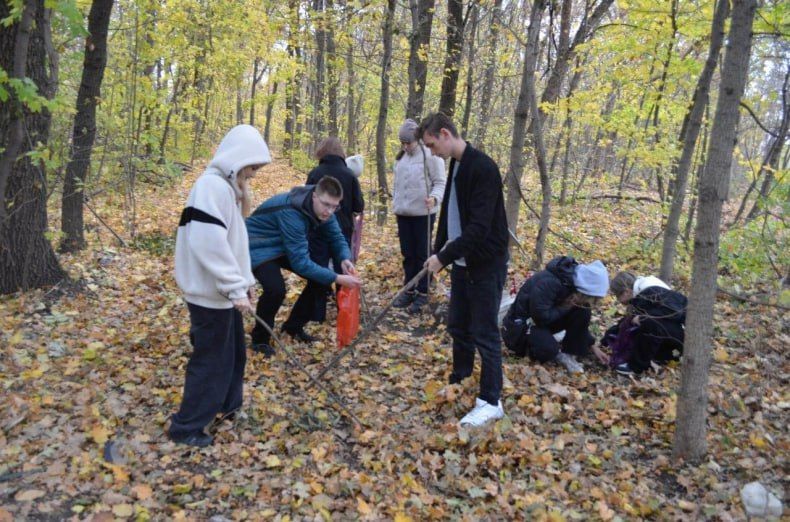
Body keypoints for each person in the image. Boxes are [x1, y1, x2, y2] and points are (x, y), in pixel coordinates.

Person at [169, 124, 270, 448]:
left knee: (234, 356)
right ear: (236, 160)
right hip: (209, 294)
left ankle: (228, 406)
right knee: (211, 360)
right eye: (252, 167)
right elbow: (208, 242)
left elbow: (233, 245)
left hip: (223, 293)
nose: (253, 174)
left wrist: (245, 284)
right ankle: (186, 428)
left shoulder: (225, 190)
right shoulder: (211, 187)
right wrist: (233, 286)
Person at [418, 112, 509, 427]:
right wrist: (438, 249)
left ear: (445, 134)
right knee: (458, 326)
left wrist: (443, 258)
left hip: (485, 263)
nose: (432, 152)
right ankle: (461, 378)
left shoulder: (483, 168)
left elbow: (479, 229)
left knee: (485, 333)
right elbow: (449, 213)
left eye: (432, 145)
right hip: (461, 262)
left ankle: (491, 400)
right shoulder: (455, 164)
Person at [246, 176, 362, 355]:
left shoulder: (324, 210)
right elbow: (300, 263)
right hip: (257, 245)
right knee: (275, 289)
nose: (330, 211)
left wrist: (344, 258)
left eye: (334, 206)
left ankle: (292, 328)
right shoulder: (291, 211)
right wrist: (338, 278)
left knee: (320, 282)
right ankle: (260, 339)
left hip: (282, 245)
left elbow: (336, 236)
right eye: (326, 205)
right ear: (314, 196)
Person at [501, 256, 609, 374]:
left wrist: (592, 346)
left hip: (542, 323)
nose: (592, 301)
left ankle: (570, 353)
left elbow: (578, 324)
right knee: (548, 350)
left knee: (583, 311)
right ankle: (552, 352)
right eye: (592, 298)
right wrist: (565, 307)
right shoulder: (549, 283)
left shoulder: (571, 283)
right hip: (520, 329)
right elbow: (541, 318)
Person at [305, 138, 365, 324]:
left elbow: (306, 201)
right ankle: (343, 312)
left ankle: (316, 315)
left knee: (319, 270)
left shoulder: (315, 173)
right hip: (343, 229)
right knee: (343, 268)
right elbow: (359, 204)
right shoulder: (349, 175)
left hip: (317, 230)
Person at [392, 119, 446, 314]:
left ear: (417, 140)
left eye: (409, 143)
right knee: (408, 254)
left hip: (423, 214)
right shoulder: (401, 158)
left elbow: (440, 182)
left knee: (422, 254)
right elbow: (397, 185)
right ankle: (409, 288)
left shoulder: (430, 157)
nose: (406, 147)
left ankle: (422, 292)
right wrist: (396, 204)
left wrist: (434, 198)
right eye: (403, 143)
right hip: (403, 213)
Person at [594, 272, 686, 375]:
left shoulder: (651, 290)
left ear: (626, 292)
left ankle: (636, 367)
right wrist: (604, 341)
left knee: (648, 322)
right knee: (637, 322)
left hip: (680, 339)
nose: (618, 300)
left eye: (617, 295)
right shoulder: (640, 293)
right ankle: (656, 357)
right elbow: (626, 323)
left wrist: (642, 318)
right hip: (671, 334)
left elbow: (674, 311)